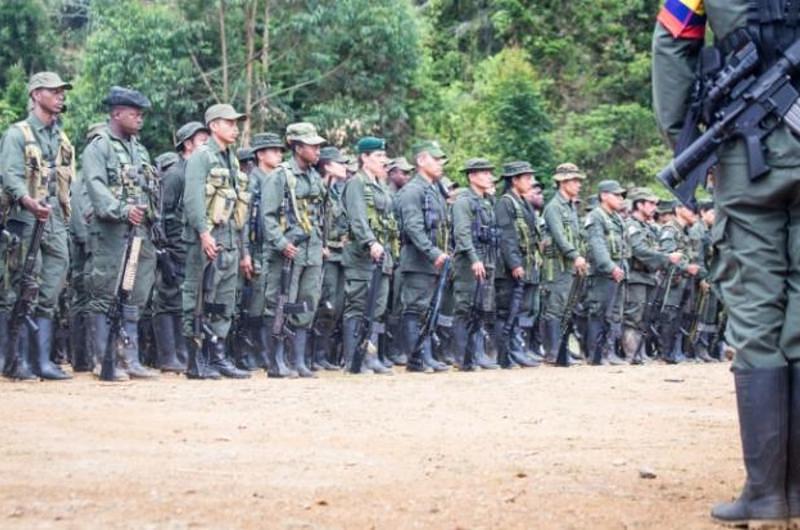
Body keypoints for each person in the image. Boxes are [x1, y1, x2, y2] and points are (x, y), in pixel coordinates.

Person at [652, 2, 800, 524]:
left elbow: (674, 46)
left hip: (747, 154)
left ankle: (768, 497)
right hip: (751, 128)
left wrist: (686, 139)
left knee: (757, 322)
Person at [81, 86, 160, 381]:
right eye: (133, 112)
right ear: (116, 113)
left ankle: (130, 359)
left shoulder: (139, 148)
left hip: (139, 231)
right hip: (111, 232)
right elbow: (97, 188)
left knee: (134, 293)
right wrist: (122, 210)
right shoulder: (99, 146)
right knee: (105, 292)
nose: (140, 118)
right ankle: (103, 361)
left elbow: (150, 188)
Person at [0, 72, 74, 380]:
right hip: (26, 215)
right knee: (24, 283)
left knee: (56, 275)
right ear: (35, 95)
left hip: (54, 215)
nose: (60, 95)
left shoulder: (59, 135)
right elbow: (11, 175)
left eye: (61, 91)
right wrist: (28, 202)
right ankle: (15, 359)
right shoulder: (18, 133)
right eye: (53, 91)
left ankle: (42, 359)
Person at [181, 103, 251, 380]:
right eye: (229, 123)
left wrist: (244, 249)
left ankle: (217, 355)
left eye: (236, 123)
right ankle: (196, 359)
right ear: (214, 126)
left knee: (223, 301)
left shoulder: (231, 159)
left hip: (230, 239)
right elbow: (192, 198)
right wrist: (203, 232)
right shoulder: (202, 156)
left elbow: (238, 208)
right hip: (207, 237)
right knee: (198, 297)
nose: (235, 128)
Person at [261, 123, 327, 378]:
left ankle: (298, 360)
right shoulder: (279, 176)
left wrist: (322, 243)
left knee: (306, 303)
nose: (317, 150)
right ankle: (276, 361)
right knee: (280, 304)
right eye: (312, 145)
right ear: (297, 148)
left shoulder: (314, 177)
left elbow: (321, 213)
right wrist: (281, 243)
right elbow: (266, 217)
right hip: (288, 251)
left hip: (311, 251)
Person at [152, 121, 209, 373]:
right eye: (201, 141)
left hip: (191, 245)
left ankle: (183, 352)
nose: (206, 146)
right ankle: (168, 356)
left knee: (186, 300)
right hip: (173, 246)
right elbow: (161, 213)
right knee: (167, 299)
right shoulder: (176, 173)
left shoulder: (199, 171)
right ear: (187, 144)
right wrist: (164, 249)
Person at [341, 137, 398, 375]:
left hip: (382, 257)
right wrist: (370, 241)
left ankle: (370, 356)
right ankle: (353, 358)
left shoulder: (381, 186)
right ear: (364, 158)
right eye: (378, 156)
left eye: (384, 156)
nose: (383, 160)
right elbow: (357, 219)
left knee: (377, 307)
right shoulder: (356, 183)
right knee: (358, 305)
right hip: (361, 256)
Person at [396, 141, 451, 373]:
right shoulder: (413, 190)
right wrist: (433, 252)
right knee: (415, 309)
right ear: (421, 161)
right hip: (418, 260)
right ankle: (416, 358)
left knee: (430, 309)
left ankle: (426, 355)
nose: (440, 164)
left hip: (434, 261)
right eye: (435, 159)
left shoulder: (434, 189)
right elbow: (413, 227)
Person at [449, 158, 500, 371]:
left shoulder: (486, 201)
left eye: (490, 172)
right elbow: (462, 233)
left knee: (481, 309)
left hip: (487, 260)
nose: (489, 176)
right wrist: (473, 258)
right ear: (472, 176)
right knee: (465, 308)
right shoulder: (464, 201)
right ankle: (461, 356)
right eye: (484, 173)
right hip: (469, 263)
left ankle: (476, 354)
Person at [623, 187, 682, 364]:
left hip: (649, 276)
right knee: (634, 317)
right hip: (636, 276)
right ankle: (631, 355)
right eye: (650, 203)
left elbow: (656, 247)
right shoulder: (632, 225)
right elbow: (639, 250)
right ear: (639, 205)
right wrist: (665, 258)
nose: (654, 207)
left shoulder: (649, 227)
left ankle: (640, 354)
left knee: (646, 318)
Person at [494, 161, 543, 369]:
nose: (531, 182)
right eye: (527, 178)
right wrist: (514, 263)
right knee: (507, 311)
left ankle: (516, 350)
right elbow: (507, 236)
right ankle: (505, 354)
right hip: (508, 268)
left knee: (519, 311)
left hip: (526, 264)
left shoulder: (523, 202)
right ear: (514, 180)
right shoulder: (506, 202)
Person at [541, 163, 588, 364]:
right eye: (574, 181)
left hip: (569, 266)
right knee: (555, 309)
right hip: (556, 267)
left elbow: (577, 236)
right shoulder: (554, 207)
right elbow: (560, 237)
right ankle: (553, 353)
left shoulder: (570, 207)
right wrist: (575, 255)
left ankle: (561, 352)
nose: (578, 185)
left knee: (567, 309)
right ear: (562, 182)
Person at [313, 146, 350, 371]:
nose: (344, 167)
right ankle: (313, 354)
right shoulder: (319, 188)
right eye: (340, 163)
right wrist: (320, 244)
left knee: (335, 305)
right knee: (323, 304)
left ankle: (323, 354)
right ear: (327, 165)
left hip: (339, 254)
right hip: (324, 254)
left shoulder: (337, 190)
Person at [584, 180, 629, 366]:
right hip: (603, 273)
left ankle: (609, 352)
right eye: (616, 195)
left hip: (618, 271)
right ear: (603, 195)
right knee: (599, 312)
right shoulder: (596, 217)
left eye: (621, 195)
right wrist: (610, 267)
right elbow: (597, 246)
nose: (621, 199)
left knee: (615, 314)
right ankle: (596, 355)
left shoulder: (616, 218)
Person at [656, 203, 702, 364]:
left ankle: (674, 352)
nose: (693, 213)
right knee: (669, 315)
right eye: (690, 209)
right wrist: (685, 266)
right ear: (678, 209)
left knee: (680, 317)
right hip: (672, 280)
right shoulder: (670, 229)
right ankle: (664, 353)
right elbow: (667, 254)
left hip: (684, 279)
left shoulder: (686, 231)